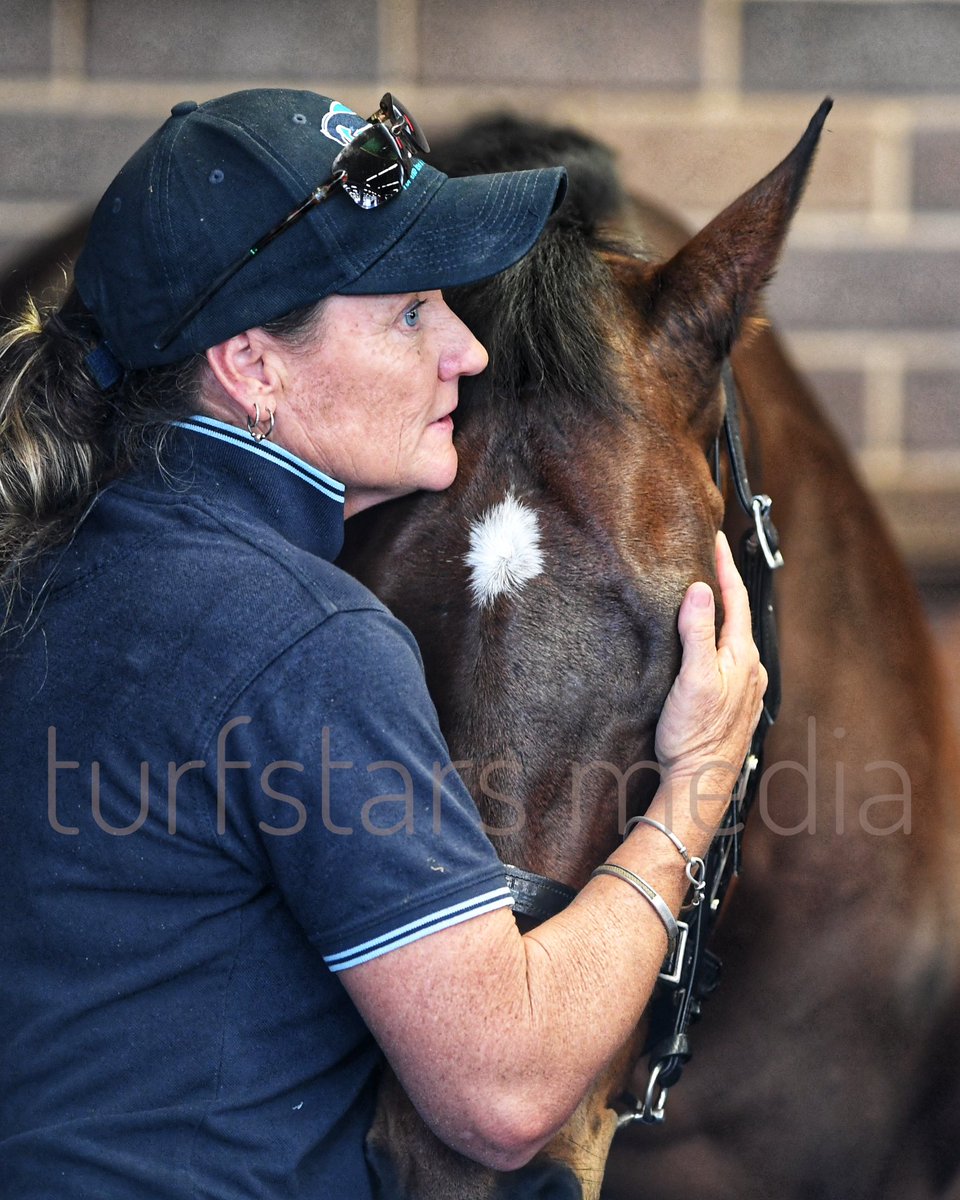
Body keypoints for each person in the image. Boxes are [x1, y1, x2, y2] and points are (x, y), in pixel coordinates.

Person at [0, 88, 766, 1198]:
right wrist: (692, 791)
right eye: (409, 311)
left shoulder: (68, 577)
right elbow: (505, 1093)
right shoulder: (301, 636)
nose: (464, 349)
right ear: (252, 366)